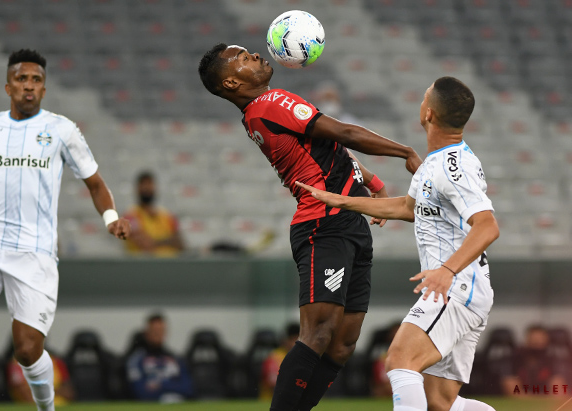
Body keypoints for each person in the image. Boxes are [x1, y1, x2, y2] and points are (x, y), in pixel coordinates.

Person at [198, 43, 421, 411]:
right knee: (318, 333)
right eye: (243, 58)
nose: (255, 55)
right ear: (232, 83)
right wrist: (405, 152)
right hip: (323, 225)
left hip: (348, 221)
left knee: (343, 344)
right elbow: (345, 133)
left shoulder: (258, 113)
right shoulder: (272, 102)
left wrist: (372, 181)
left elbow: (327, 148)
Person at [297, 76, 499, 411]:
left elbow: (488, 226)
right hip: (465, 290)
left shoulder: (453, 167)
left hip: (456, 288)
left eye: (424, 97)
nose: (421, 102)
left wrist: (447, 271)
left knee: (399, 360)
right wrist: (342, 200)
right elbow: (407, 208)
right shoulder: (438, 162)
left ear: (429, 113)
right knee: (439, 402)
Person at [0, 49, 130, 411]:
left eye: (36, 80)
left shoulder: (61, 130)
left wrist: (110, 218)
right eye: (21, 79)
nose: (29, 86)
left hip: (35, 251)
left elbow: (95, 184)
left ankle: (46, 408)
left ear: (44, 88)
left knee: (26, 350)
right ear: (8, 86)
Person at [126, 313, 194, 402]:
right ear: (147, 333)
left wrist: (160, 385)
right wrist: (173, 386)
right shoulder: (136, 360)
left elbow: (188, 389)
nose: (157, 334)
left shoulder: (176, 359)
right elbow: (140, 391)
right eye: (154, 331)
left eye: (160, 330)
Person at [123, 171, 185, 257]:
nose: (146, 188)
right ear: (136, 189)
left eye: (149, 184)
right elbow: (145, 244)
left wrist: (155, 242)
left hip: (169, 263)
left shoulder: (167, 216)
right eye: (143, 184)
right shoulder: (130, 216)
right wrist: (169, 241)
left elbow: (181, 244)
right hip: (142, 263)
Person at [503, 325, 566, 393]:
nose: (537, 342)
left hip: (547, 396)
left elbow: (558, 388)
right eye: (534, 339)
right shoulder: (514, 359)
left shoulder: (553, 360)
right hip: (522, 396)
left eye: (540, 339)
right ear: (527, 340)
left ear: (547, 340)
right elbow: (512, 388)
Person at [6, 350, 75, 405]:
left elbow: (68, 393)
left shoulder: (56, 361)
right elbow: (25, 396)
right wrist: (55, 391)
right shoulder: (17, 364)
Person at [261, 323, 301, 400]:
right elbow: (274, 384)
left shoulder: (303, 357)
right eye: (294, 339)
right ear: (286, 340)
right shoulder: (274, 357)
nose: (297, 343)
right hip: (271, 401)